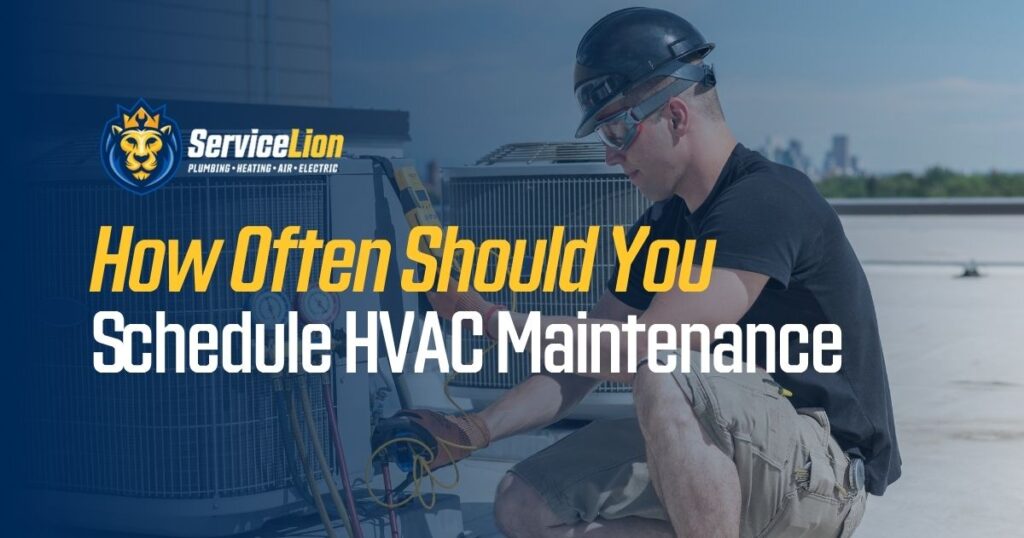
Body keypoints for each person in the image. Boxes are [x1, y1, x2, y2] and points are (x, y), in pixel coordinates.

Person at [376, 7, 900, 537]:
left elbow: (637, 349)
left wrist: (486, 317)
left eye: (617, 130)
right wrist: (474, 429)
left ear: (674, 116)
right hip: (735, 455)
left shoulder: (765, 200)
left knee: (664, 370)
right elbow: (586, 358)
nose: (610, 157)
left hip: (820, 473)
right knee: (523, 504)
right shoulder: (661, 225)